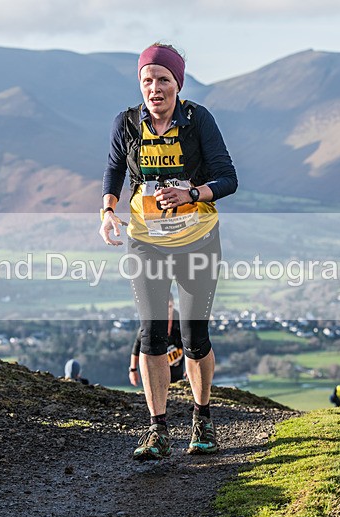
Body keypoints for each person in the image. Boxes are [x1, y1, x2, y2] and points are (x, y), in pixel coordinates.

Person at [99, 43, 238, 460]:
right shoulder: (126, 123)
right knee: (151, 336)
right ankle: (158, 430)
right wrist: (107, 211)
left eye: (163, 80)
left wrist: (190, 193)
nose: (154, 88)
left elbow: (228, 178)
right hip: (146, 243)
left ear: (178, 83)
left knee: (195, 339)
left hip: (197, 239)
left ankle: (202, 418)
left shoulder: (198, 121)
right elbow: (113, 169)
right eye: (147, 80)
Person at [129, 294, 185, 386]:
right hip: (156, 376)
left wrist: (190, 369)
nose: (167, 310)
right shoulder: (151, 323)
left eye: (170, 306)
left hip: (177, 375)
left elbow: (190, 345)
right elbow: (137, 345)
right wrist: (133, 369)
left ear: (173, 305)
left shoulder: (180, 322)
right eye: (164, 307)